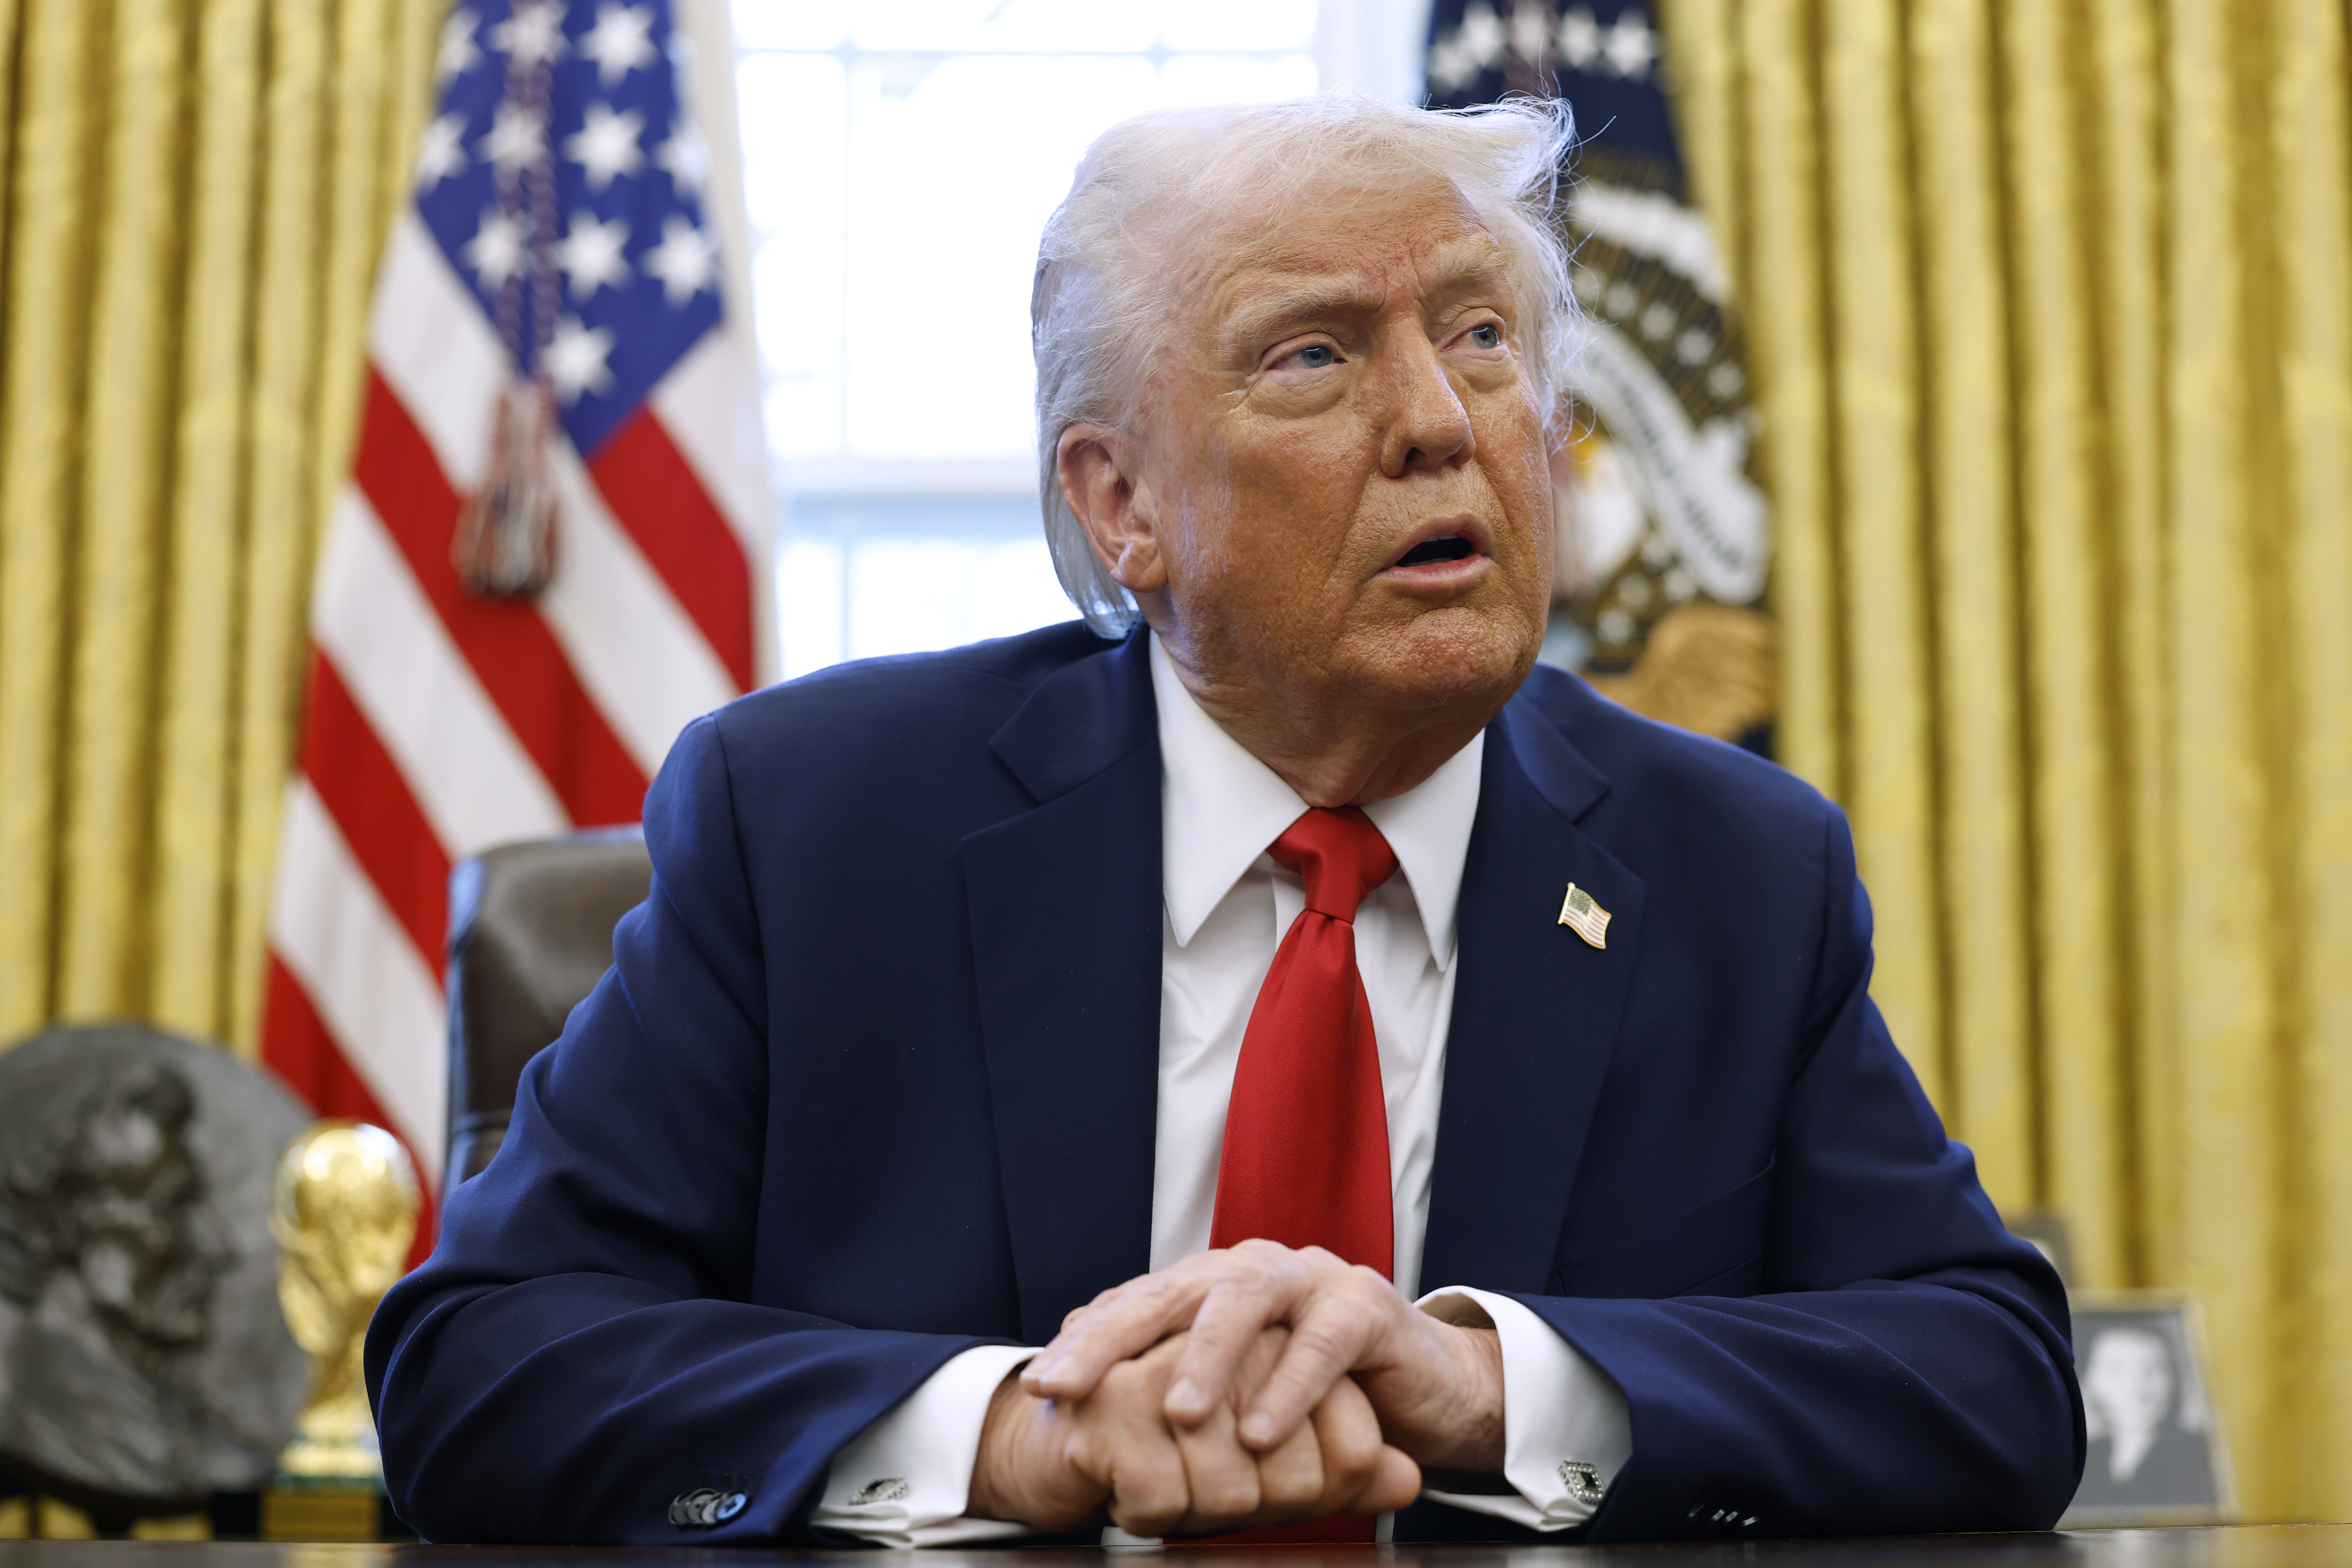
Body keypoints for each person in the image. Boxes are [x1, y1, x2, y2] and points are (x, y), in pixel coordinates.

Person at [364, 95, 2083, 1546]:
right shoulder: (816, 825)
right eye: (1315, 354)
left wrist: (1490, 1384)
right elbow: (484, 1362)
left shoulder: (1730, 866)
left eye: (1482, 333)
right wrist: (1007, 1429)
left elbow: (1985, 1370)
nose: (1440, 421)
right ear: (1119, 504)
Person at [2073, 1325, 2216, 1510]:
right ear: (2089, 1380)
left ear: (2175, 1380)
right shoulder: (2086, 1458)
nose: (2138, 1388)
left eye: (2154, 1369)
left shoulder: (2201, 1454)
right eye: (2117, 1370)